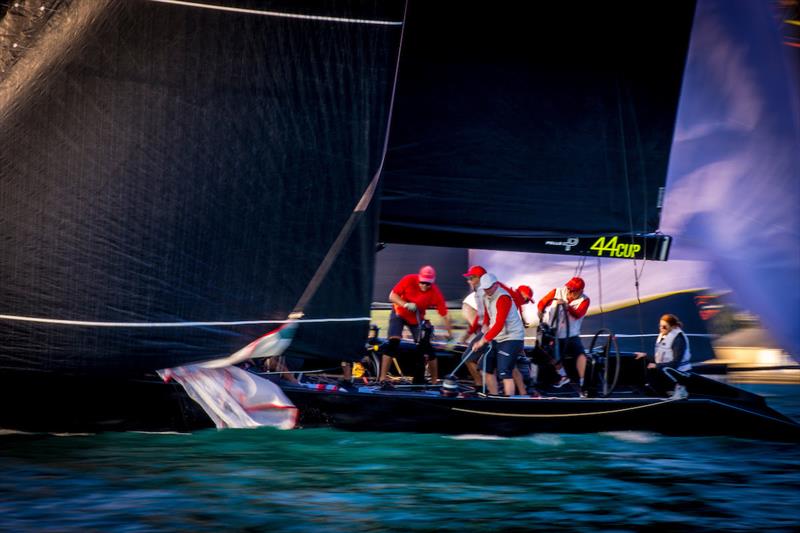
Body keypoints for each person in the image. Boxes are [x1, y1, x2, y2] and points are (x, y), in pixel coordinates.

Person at [378, 265, 453, 385]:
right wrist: (405, 304)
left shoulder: (435, 292)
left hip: (416, 319)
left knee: (426, 348)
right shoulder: (408, 280)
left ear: (432, 283)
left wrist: (451, 335)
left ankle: (434, 382)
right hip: (399, 313)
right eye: (422, 282)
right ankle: (382, 378)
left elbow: (445, 315)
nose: (424, 286)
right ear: (418, 279)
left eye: (427, 284)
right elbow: (392, 296)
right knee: (393, 342)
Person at [472, 273, 526, 396]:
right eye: (485, 288)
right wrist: (485, 325)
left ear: (496, 285)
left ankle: (508, 403)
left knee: (504, 372)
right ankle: (495, 397)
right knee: (485, 369)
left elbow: (499, 324)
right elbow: (488, 314)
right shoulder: (486, 296)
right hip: (499, 337)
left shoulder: (503, 298)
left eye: (489, 288)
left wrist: (482, 341)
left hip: (512, 338)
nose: (487, 291)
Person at [537, 276, 589, 391]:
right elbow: (542, 302)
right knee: (547, 353)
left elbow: (578, 314)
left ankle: (583, 380)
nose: (569, 291)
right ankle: (563, 375)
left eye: (573, 290)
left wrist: (567, 307)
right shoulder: (557, 292)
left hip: (571, 334)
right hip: (554, 332)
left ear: (580, 291)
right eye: (569, 288)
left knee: (580, 352)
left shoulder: (585, 300)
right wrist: (541, 310)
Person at [635, 314, 692, 396]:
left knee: (655, 370)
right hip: (666, 368)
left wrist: (656, 366)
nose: (661, 328)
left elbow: (675, 363)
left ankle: (677, 390)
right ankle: (653, 390)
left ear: (672, 327)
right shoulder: (664, 335)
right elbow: (660, 359)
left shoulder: (678, 339)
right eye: (660, 326)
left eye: (664, 326)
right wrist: (645, 355)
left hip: (680, 373)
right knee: (645, 364)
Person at [460, 265, 488, 388]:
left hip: (489, 330)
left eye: (471, 278)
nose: (468, 281)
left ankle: (480, 384)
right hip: (487, 328)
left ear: (479, 278)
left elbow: (486, 315)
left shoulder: (484, 292)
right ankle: (483, 384)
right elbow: (480, 316)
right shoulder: (479, 292)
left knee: (467, 356)